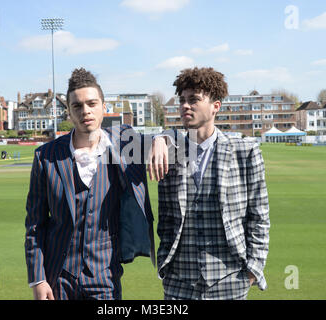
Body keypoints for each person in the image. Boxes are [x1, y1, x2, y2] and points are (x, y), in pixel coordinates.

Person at [25, 68, 159, 300]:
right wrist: (38, 279)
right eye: (77, 106)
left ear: (104, 107)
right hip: (58, 278)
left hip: (104, 276)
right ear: (69, 112)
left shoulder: (125, 143)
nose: (85, 111)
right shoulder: (45, 157)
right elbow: (35, 225)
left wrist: (161, 139)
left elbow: (185, 143)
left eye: (91, 103)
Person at [151, 67, 270, 300]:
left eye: (194, 99)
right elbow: (165, 218)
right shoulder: (170, 153)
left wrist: (252, 271)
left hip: (231, 280)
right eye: (182, 100)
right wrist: (158, 136)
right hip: (179, 283)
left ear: (216, 106)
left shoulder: (245, 153)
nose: (185, 105)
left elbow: (259, 217)